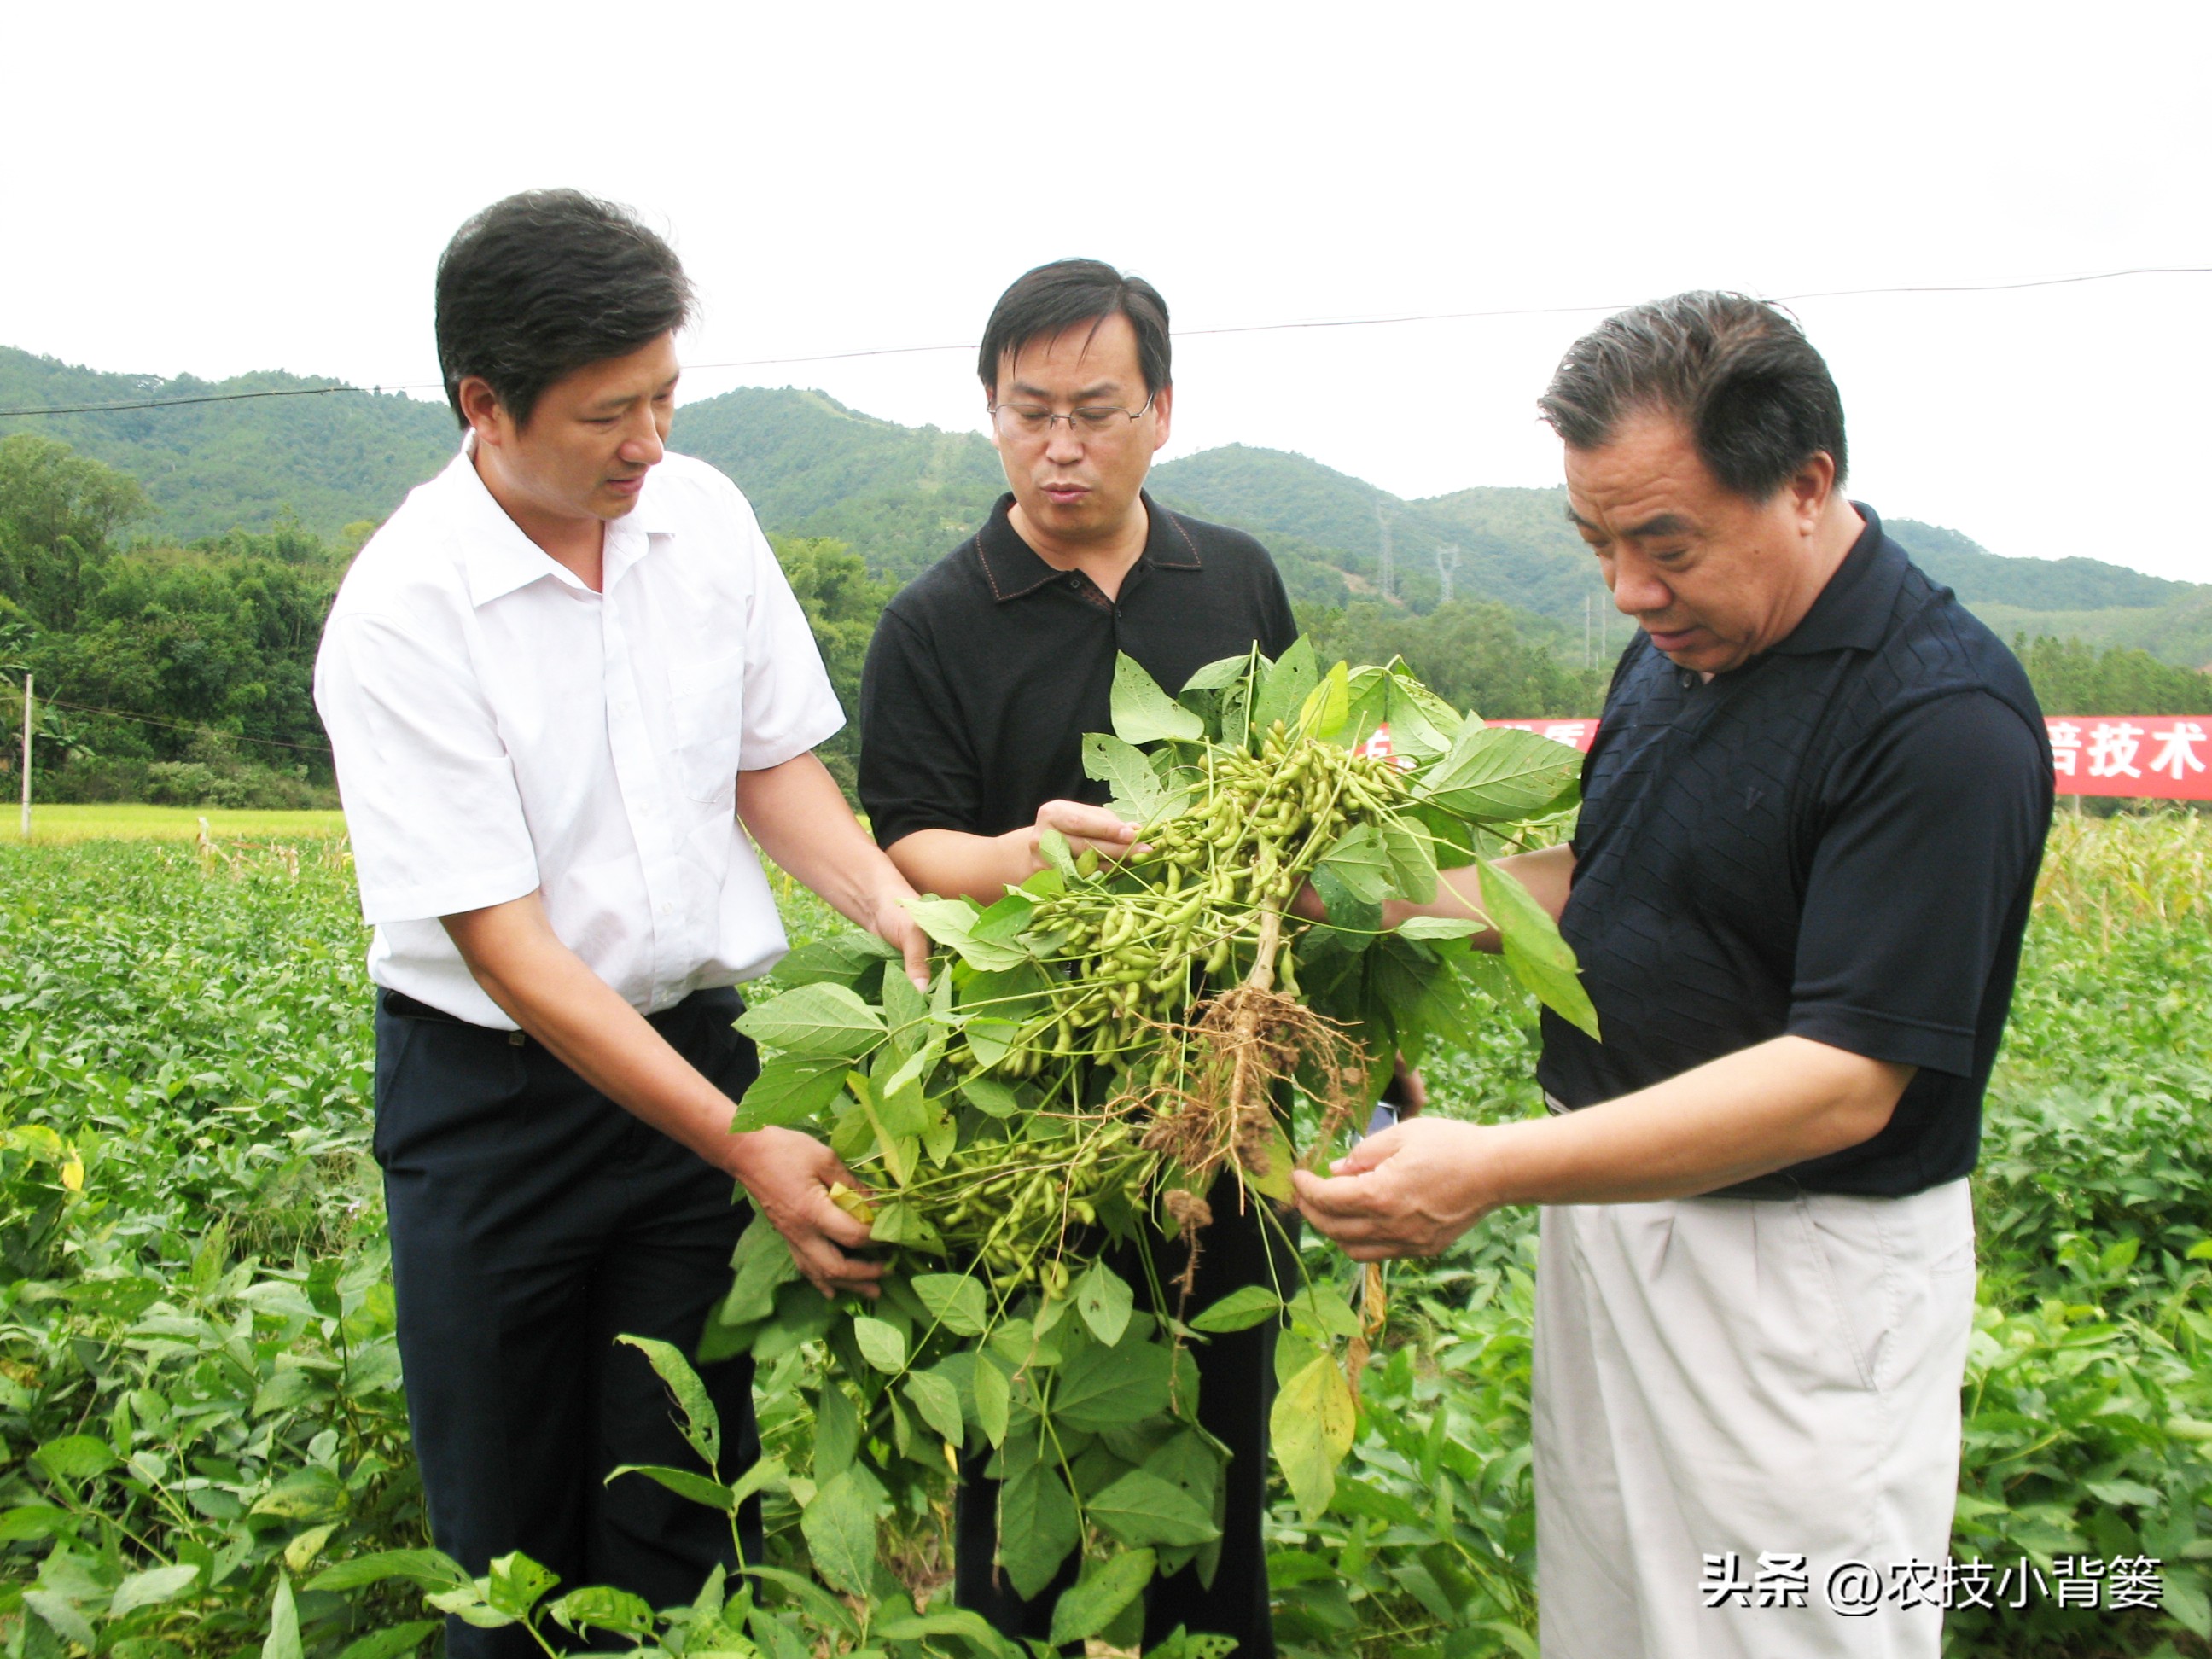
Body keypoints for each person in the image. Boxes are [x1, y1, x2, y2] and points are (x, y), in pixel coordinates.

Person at [1292, 293, 2053, 1659]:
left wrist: (1492, 1166)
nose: (1630, 592)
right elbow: (1601, 884)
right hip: (1616, 1218)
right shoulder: (1682, 651)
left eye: (1666, 545)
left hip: (1797, 1275)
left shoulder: (1938, 718)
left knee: (1783, 1630)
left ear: (1805, 486)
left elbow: (1843, 1081)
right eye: (1599, 546)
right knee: (1615, 1618)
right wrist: (1341, 899)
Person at [314, 189, 926, 1656]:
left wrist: (894, 907)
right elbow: (511, 952)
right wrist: (744, 1149)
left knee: (683, 1507)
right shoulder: (406, 610)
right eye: (609, 414)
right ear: (486, 405)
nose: (649, 442)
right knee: (510, 1545)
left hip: (698, 1057)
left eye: (664, 397)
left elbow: (769, 763)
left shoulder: (700, 518)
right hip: (496, 1107)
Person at [858, 259, 1296, 1656]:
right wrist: (1025, 855)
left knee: (1221, 1425)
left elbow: (1290, 808)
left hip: (1219, 1083)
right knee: (1025, 1421)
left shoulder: (1237, 578)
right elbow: (910, 842)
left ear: (1161, 410)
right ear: (990, 414)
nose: (1060, 446)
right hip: (1031, 1091)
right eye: (1028, 411)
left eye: (1095, 412)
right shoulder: (935, 620)